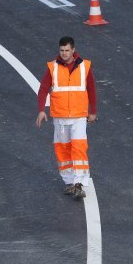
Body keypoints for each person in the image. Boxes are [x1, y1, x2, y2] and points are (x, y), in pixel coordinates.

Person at [35, 36, 98, 199]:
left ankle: (79, 184)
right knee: (62, 150)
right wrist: (41, 110)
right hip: (60, 117)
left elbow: (91, 89)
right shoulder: (52, 68)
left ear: (73, 50)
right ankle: (69, 182)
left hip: (78, 116)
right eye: (61, 50)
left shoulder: (85, 66)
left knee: (78, 148)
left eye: (67, 50)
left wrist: (93, 112)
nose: (64, 53)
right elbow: (43, 89)